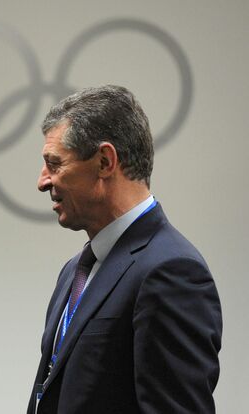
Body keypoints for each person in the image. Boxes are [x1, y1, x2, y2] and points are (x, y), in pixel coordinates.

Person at [27, 85, 222, 413]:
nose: (43, 181)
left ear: (105, 161)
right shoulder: (76, 270)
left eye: (55, 164)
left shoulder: (172, 271)